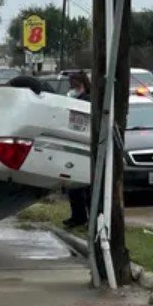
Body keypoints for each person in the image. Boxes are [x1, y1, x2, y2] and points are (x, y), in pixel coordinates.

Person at [65, 72, 91, 229]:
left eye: (74, 84)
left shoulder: (87, 100)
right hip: (75, 144)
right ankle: (78, 217)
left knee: (86, 189)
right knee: (74, 187)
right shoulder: (75, 98)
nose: (72, 88)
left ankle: (86, 218)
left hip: (86, 145)